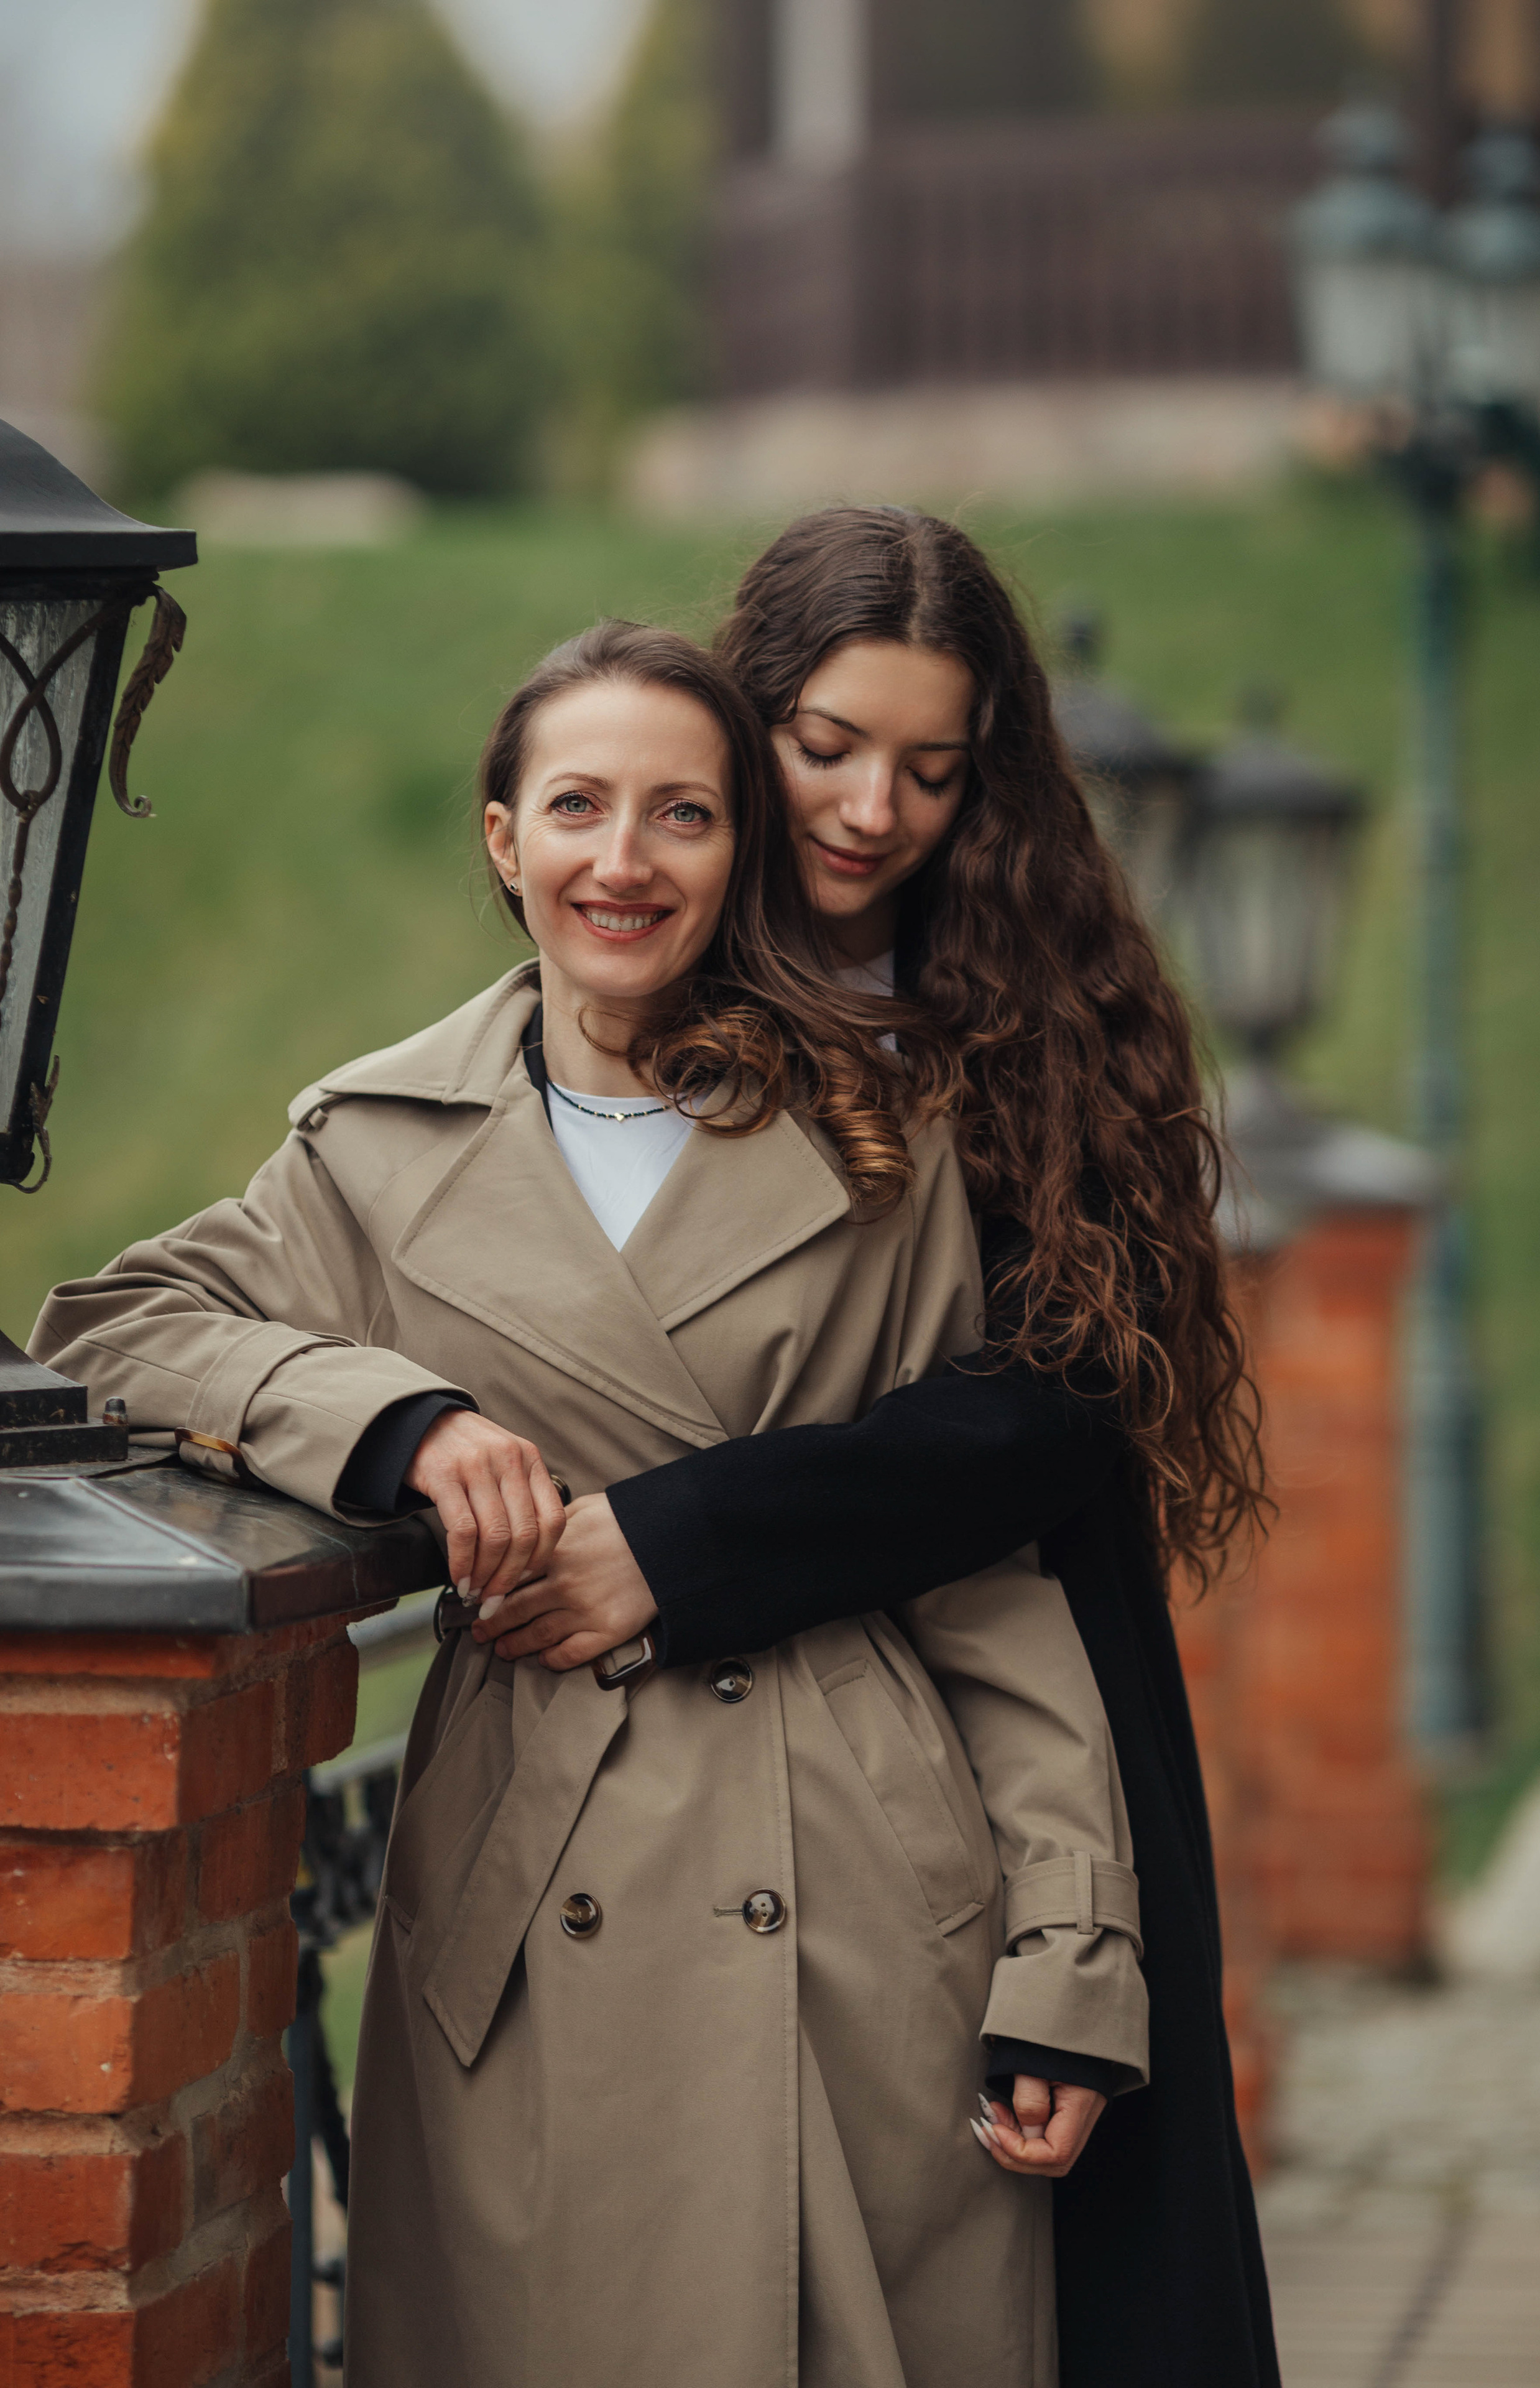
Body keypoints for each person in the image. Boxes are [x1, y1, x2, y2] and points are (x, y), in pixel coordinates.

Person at [31, 621, 1149, 2388]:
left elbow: (980, 1576)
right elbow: (110, 1327)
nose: (622, 862)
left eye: (683, 816)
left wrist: (1073, 1957)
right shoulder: (377, 1143)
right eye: (577, 806)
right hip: (531, 1874)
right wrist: (398, 1419)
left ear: (740, 852)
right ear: (502, 837)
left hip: (859, 1889)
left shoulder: (882, 1138)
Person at [436, 512, 1281, 2388]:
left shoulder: (1037, 1022)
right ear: (745, 725)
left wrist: (684, 1531)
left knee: (1079, 2280)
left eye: (929, 765)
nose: (869, 809)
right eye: (822, 745)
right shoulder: (639, 993)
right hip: (663, 1790)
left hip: (1010, 1671)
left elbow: (1050, 1408)